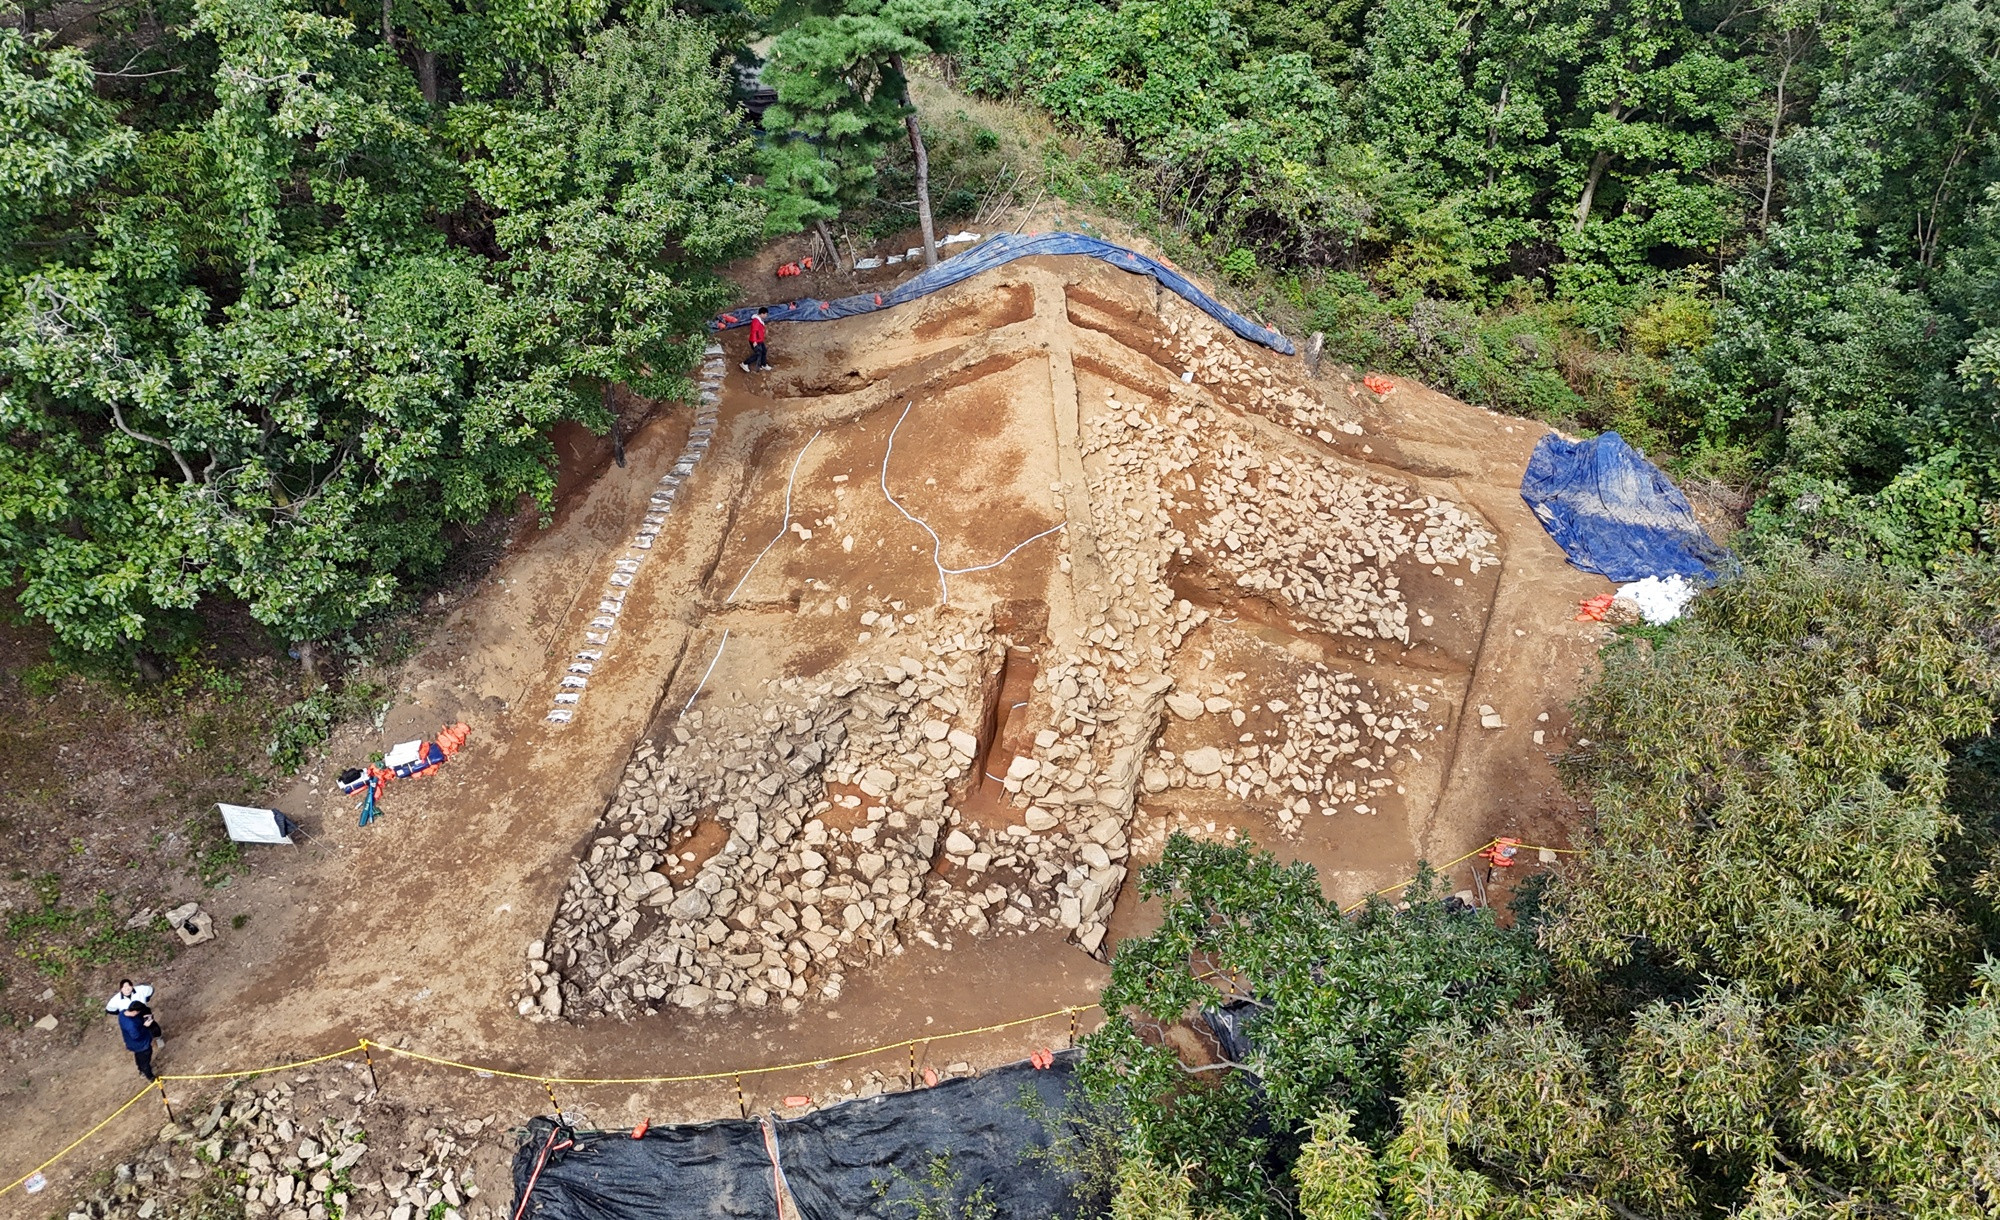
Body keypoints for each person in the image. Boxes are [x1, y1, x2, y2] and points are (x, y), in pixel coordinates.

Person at [118, 1001, 164, 1081]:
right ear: (135, 1011)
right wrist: (146, 1026)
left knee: (139, 1057)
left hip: (133, 1045)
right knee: (145, 1061)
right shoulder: (131, 1025)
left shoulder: (122, 1014)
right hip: (142, 1045)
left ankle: (141, 1070)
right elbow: (136, 1036)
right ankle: (150, 1077)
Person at [741, 307, 772, 373]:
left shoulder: (759, 320)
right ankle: (745, 363)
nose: (766, 316)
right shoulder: (756, 321)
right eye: (765, 314)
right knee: (758, 353)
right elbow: (754, 331)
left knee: (764, 351)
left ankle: (763, 364)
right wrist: (754, 341)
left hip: (759, 340)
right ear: (762, 314)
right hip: (755, 341)